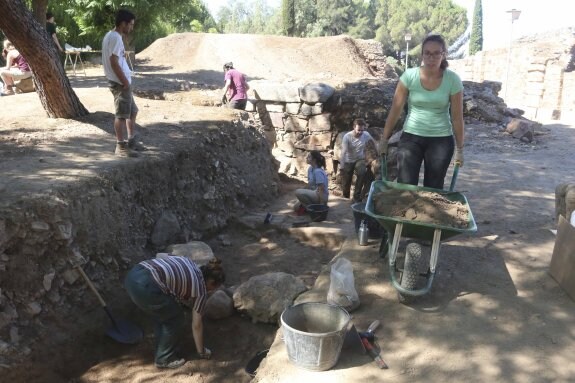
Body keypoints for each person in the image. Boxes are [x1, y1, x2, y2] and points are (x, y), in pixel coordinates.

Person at [381, 34, 464, 189]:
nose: (431, 58)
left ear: (443, 54)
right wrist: (384, 140)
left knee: (433, 188)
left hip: (441, 140)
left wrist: (460, 149)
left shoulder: (452, 80)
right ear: (422, 55)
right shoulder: (409, 76)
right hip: (411, 137)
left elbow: (457, 118)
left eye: (436, 53)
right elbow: (395, 110)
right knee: (405, 186)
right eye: (427, 53)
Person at [124, 256, 226, 369]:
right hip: (145, 287)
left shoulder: (190, 263)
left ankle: (162, 347)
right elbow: (197, 325)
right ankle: (164, 359)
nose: (210, 291)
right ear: (211, 282)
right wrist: (201, 351)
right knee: (175, 318)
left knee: (164, 313)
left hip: (133, 275)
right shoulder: (200, 289)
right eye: (213, 288)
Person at [102, 9, 142, 157]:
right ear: (123, 23)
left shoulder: (111, 36)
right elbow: (113, 62)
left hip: (121, 82)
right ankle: (120, 147)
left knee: (133, 111)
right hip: (119, 83)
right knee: (121, 115)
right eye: (130, 24)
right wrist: (125, 81)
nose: (131, 28)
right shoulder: (116, 38)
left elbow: (116, 60)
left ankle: (131, 141)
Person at [338, 118, 378, 202]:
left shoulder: (366, 134)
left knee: (362, 172)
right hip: (348, 160)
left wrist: (378, 152)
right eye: (358, 130)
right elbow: (343, 152)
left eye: (362, 130)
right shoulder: (347, 137)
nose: (360, 132)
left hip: (360, 159)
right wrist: (341, 166)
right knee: (346, 180)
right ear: (354, 127)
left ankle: (356, 196)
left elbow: (373, 142)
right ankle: (345, 197)